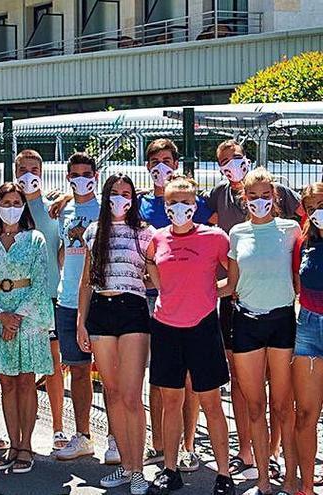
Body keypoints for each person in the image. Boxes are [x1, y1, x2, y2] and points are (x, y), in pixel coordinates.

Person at [206, 139, 302, 480]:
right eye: (253, 196)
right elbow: (229, 284)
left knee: (282, 404)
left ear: (274, 197)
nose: (259, 201)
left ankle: (289, 475)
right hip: (244, 320)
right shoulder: (235, 233)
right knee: (254, 404)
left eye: (265, 195)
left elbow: (300, 277)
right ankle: (261, 477)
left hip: (282, 322)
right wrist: (188, 292)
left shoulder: (291, 231)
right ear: (243, 199)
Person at [145, 176, 235, 495]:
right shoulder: (157, 238)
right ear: (165, 205)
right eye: (173, 202)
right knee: (172, 401)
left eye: (185, 201)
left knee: (211, 402)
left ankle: (223, 475)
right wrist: (164, 289)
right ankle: (170, 470)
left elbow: (232, 278)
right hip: (166, 327)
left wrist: (213, 292)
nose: (179, 207)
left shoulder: (215, 237)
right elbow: (149, 264)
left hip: (203, 327)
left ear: (195, 204)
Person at [76, 174, 154, 494]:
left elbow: (156, 274)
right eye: (115, 193)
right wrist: (82, 322)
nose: (120, 198)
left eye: (126, 193)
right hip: (101, 311)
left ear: (133, 198)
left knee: (132, 395)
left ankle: (138, 469)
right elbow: (86, 282)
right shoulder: (94, 231)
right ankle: (125, 464)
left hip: (133, 310)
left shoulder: (145, 233)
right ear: (106, 197)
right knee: (112, 393)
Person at [138, 139, 211, 471]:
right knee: (160, 378)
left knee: (190, 380)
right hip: (151, 300)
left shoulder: (196, 202)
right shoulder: (139, 205)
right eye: (155, 161)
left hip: (192, 302)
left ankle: (188, 445)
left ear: (176, 164)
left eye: (167, 160)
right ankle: (158, 443)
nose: (161, 166)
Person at [0, 182, 54, 474]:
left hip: (28, 319)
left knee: (25, 380)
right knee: (6, 382)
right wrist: (0, 315)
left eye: (16, 202)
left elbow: (41, 281)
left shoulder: (35, 240)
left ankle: (27, 445)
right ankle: (13, 441)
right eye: (5, 202)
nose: (11, 208)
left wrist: (17, 316)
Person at [14, 150, 69, 453]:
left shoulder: (53, 210)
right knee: (22, 370)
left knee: (52, 365)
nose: (28, 174)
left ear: (42, 172)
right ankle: (22, 435)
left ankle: (58, 428)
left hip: (49, 297)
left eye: (33, 168)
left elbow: (62, 248)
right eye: (22, 169)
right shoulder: (10, 208)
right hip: (17, 303)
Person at [53, 152, 100, 462]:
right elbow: (61, 249)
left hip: (100, 300)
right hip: (67, 300)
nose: (81, 178)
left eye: (87, 173)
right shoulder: (62, 209)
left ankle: (115, 437)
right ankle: (83, 435)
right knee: (78, 371)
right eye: (75, 173)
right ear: (68, 177)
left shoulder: (105, 209)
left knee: (110, 375)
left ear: (95, 176)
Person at [292, 182, 323, 495]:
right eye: (312, 208)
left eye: (322, 204)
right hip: (309, 328)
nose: (318, 213)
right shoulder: (303, 242)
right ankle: (306, 486)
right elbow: (297, 284)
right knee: (305, 413)